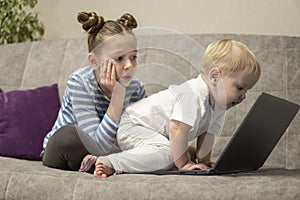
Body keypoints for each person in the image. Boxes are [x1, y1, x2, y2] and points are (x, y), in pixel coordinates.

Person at [93, 39, 261, 178]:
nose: (243, 96)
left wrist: (204, 161)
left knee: (174, 153)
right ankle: (111, 162)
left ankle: (158, 159)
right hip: (134, 125)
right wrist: (184, 164)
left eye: (247, 90)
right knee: (169, 155)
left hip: (156, 134)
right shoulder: (193, 94)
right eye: (240, 88)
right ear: (215, 76)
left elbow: (208, 135)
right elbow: (177, 129)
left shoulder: (218, 105)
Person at [42, 11, 146, 173]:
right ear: (94, 61)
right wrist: (117, 96)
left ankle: (102, 163)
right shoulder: (80, 82)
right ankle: (106, 162)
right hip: (64, 152)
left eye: (133, 57)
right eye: (119, 58)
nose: (129, 65)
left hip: (109, 150)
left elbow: (140, 133)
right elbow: (96, 145)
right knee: (68, 137)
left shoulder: (136, 87)